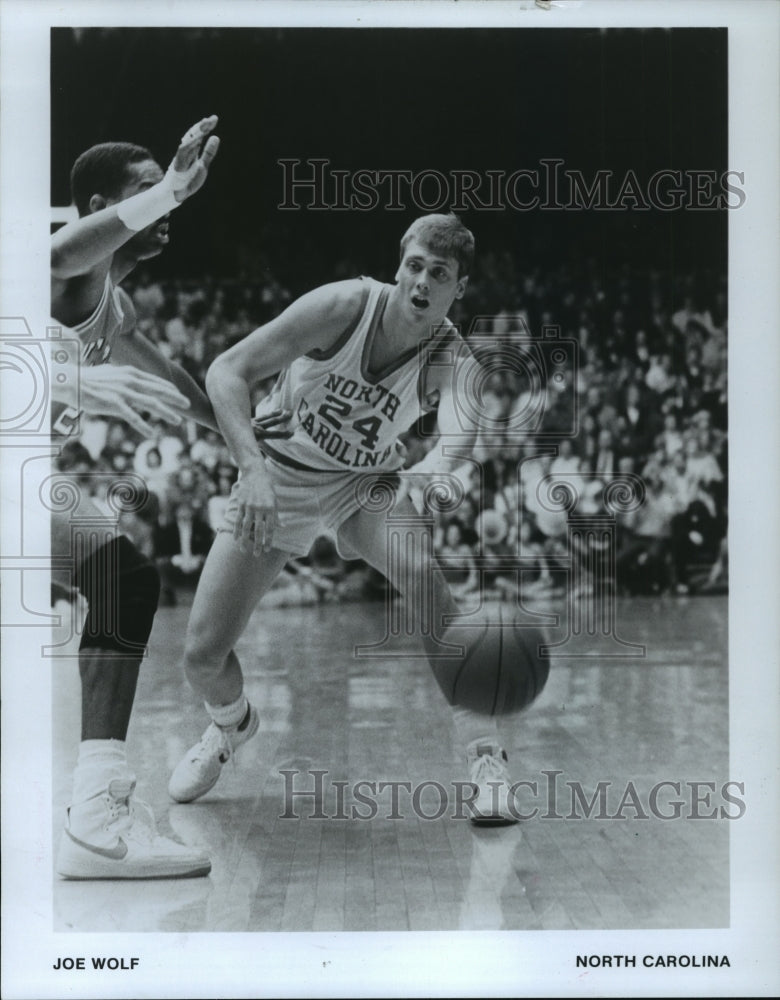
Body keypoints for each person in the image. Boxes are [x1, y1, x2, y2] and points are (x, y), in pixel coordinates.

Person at [170, 213, 521, 823]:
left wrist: (427, 471)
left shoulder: (452, 357)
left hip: (363, 484)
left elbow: (460, 433)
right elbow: (227, 370)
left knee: (420, 570)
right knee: (201, 657)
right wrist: (251, 470)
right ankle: (231, 725)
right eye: (414, 265)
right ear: (399, 263)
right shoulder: (344, 306)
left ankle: (485, 758)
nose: (422, 281)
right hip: (278, 474)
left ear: (458, 289)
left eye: (439, 274)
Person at [50, 116, 264, 879]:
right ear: (103, 205)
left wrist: (251, 441)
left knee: (120, 579)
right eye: (147, 196)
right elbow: (63, 252)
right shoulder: (59, 264)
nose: (167, 211)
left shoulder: (114, 304)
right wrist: (174, 182)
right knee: (118, 579)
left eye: (169, 197)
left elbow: (181, 392)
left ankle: (95, 813)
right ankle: (94, 815)